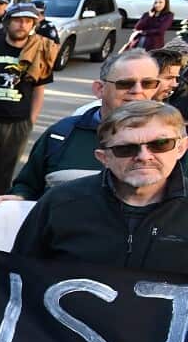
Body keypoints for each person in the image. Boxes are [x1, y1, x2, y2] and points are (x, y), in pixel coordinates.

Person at [12, 100, 188, 274]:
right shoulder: (60, 203)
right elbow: (18, 275)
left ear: (181, 148)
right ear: (103, 158)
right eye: (125, 149)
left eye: (160, 144)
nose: (144, 156)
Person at [0, 49, 161, 202]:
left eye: (148, 84)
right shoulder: (60, 135)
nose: (137, 91)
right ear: (100, 89)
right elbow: (27, 186)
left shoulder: (170, 142)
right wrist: (19, 199)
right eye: (125, 83)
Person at [0, 2, 56, 200]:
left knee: (4, 176)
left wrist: (31, 119)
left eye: (27, 21)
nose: (22, 25)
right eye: (17, 20)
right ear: (7, 22)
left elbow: (39, 88)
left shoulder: (39, 51)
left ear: (33, 25)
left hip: (18, 123)